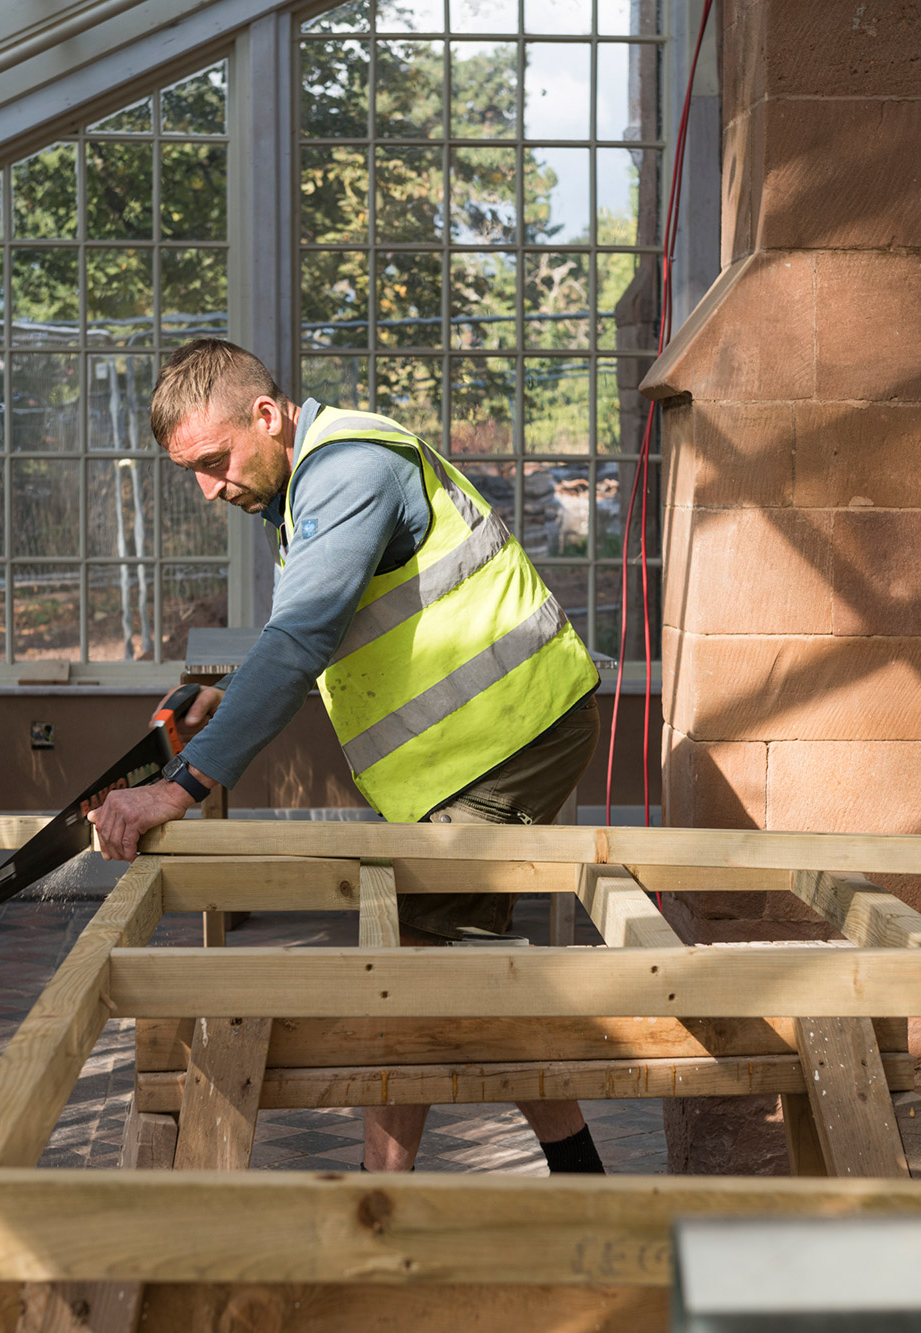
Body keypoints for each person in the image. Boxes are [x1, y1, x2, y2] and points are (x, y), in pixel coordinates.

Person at [85, 337, 607, 1175]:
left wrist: (176, 789)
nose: (209, 488)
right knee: (448, 977)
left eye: (214, 461)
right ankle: (571, 1171)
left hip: (511, 737)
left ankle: (378, 1197)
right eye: (193, 471)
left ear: (266, 414)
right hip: (464, 755)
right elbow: (316, 622)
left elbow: (301, 640)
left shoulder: (347, 473)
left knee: (412, 970)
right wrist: (231, 689)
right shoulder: (298, 491)